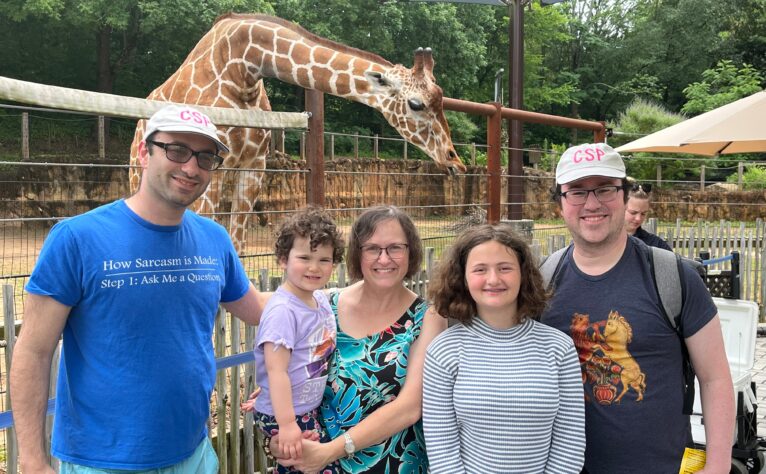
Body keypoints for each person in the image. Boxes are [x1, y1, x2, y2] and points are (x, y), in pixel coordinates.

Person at [10, 104, 266, 473]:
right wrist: (32, 460)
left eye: (205, 157)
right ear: (145, 153)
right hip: (102, 461)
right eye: (177, 150)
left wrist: (333, 300)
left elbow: (259, 309)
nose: (191, 167)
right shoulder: (77, 238)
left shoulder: (214, 238)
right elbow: (33, 351)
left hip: (194, 453)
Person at [540, 142, 734, 474]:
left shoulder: (674, 277)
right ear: (560, 203)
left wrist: (717, 465)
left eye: (605, 189)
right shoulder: (541, 280)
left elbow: (715, 377)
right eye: (577, 192)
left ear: (625, 195)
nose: (592, 203)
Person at [247, 205, 446, 473]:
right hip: (310, 456)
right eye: (372, 248)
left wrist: (330, 451)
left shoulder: (428, 317)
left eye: (395, 248)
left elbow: (410, 407)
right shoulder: (324, 304)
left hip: (389, 463)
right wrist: (276, 404)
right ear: (357, 253)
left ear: (411, 252)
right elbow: (284, 352)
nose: (384, 259)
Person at [423, 224, 585, 473]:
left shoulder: (558, 348)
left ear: (523, 274)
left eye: (505, 268)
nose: (493, 279)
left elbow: (569, 441)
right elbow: (441, 447)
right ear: (463, 278)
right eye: (480, 269)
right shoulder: (444, 351)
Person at [254, 206, 344, 473]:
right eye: (304, 257)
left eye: (324, 260)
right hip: (288, 415)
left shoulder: (319, 300)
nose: (314, 267)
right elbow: (276, 371)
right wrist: (287, 424)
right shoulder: (283, 311)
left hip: (305, 408)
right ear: (283, 259)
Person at [624, 178, 672, 250]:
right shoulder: (607, 240)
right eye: (633, 213)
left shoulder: (656, 244)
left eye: (643, 214)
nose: (638, 219)